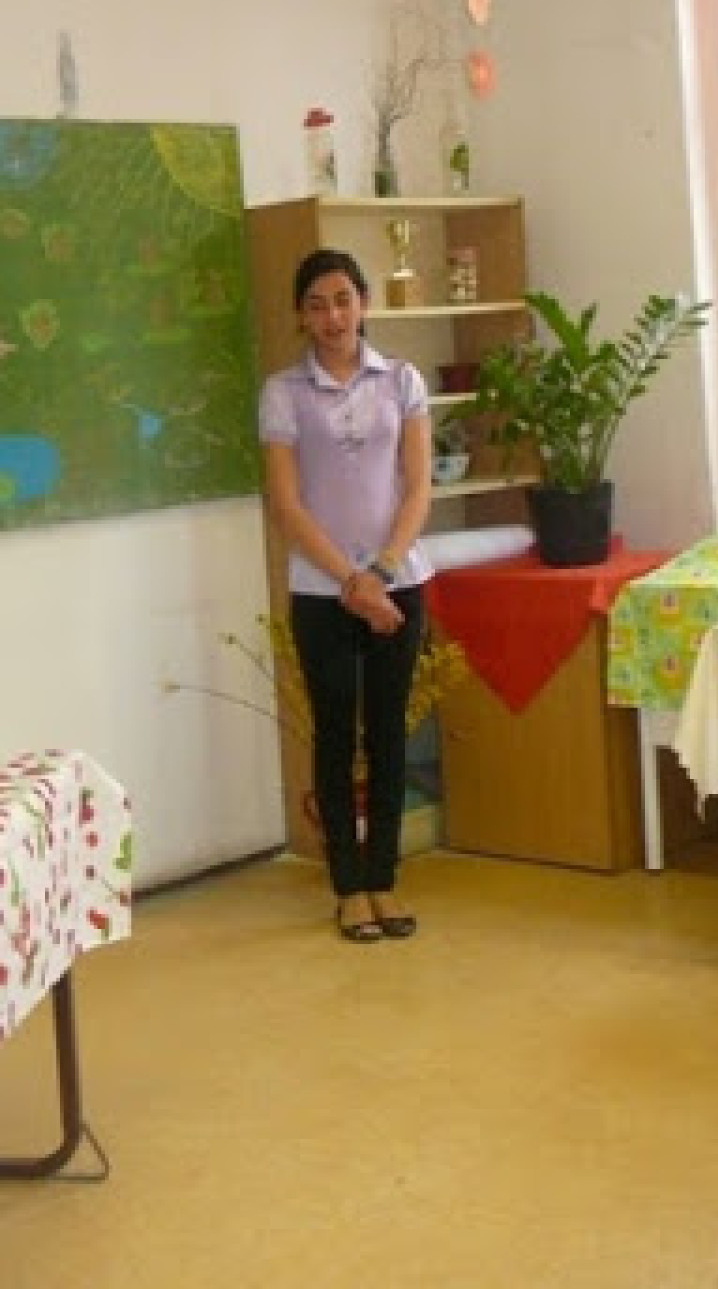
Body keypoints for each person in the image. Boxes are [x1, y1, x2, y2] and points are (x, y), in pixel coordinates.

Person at [259, 247, 436, 944]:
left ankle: (383, 879)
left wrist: (381, 573)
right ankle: (348, 888)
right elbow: (288, 506)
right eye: (317, 305)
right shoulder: (282, 393)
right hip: (320, 591)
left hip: (400, 584)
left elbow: (418, 487)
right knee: (335, 737)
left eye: (343, 300)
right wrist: (350, 583)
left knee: (389, 734)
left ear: (364, 303)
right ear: (301, 316)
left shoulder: (402, 380)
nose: (332, 317)